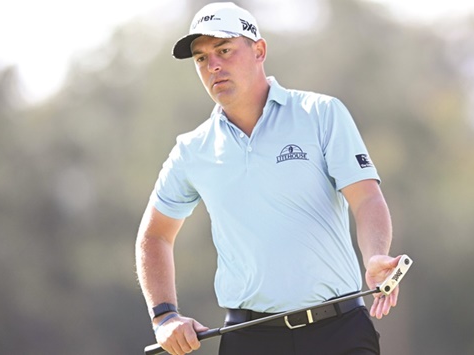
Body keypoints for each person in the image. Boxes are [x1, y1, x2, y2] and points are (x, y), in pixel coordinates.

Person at [136, 2, 404, 354]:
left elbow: (366, 197)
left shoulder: (321, 114)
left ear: (259, 50)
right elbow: (154, 235)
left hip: (339, 332)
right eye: (201, 58)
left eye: (224, 50)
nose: (213, 65)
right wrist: (164, 316)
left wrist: (374, 257)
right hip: (250, 338)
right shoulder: (192, 150)